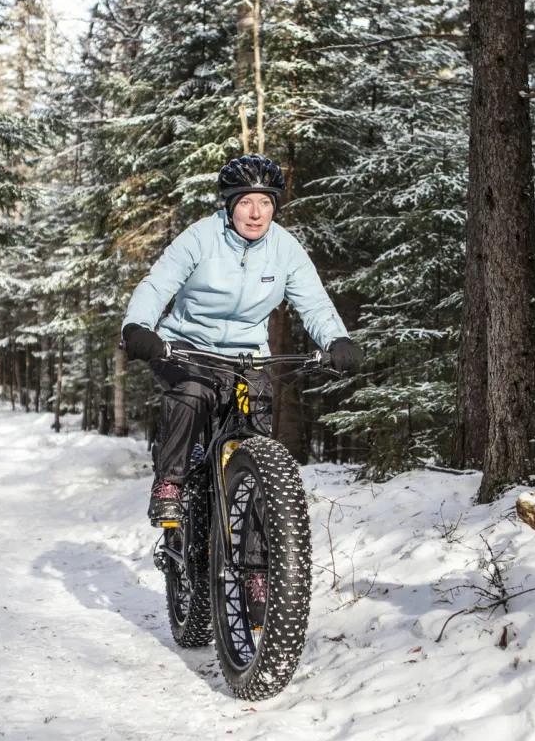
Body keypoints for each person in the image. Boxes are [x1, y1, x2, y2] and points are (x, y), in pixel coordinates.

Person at [120, 155, 364, 526]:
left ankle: (257, 558)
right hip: (187, 346)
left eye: (265, 202)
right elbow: (157, 284)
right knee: (192, 393)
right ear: (230, 204)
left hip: (248, 356)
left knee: (256, 426)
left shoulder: (285, 249)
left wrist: (337, 339)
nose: (256, 213)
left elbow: (314, 303)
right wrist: (138, 326)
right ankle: (169, 484)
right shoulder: (201, 237)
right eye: (246, 202)